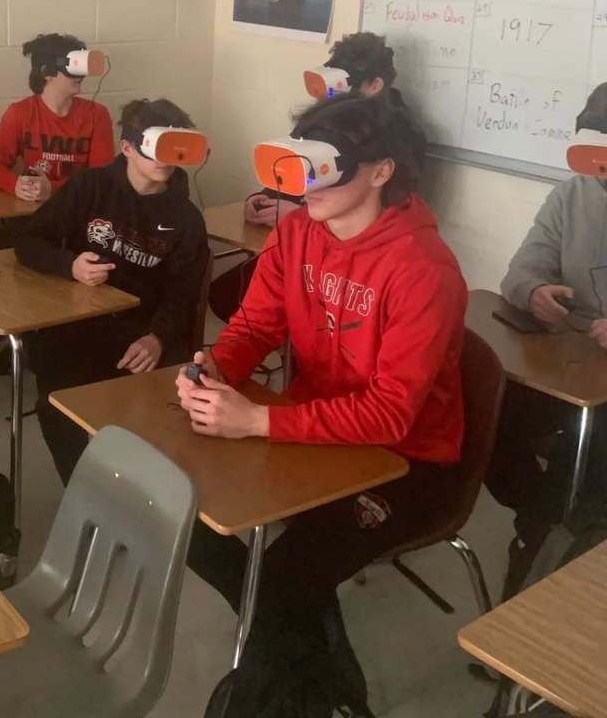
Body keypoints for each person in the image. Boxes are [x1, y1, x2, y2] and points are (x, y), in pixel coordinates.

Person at [181, 92, 466, 716]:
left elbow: (390, 414)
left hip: (405, 462)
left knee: (281, 579)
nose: (305, 186)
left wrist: (256, 419)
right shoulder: (296, 232)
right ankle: (325, 685)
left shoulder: (424, 269)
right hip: (313, 437)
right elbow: (254, 325)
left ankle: (298, 698)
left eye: (325, 168)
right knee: (186, 513)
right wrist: (214, 369)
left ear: (381, 170)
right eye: (301, 165)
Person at [15, 98, 209, 484]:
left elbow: (184, 292)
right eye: (155, 147)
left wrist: (157, 337)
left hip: (141, 329)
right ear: (128, 147)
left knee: (176, 406)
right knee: (57, 407)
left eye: (174, 147)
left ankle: (153, 491)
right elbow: (29, 240)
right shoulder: (90, 187)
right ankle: (85, 490)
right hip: (79, 323)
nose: (164, 159)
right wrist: (70, 265)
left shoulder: (186, 218)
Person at [209, 31, 426, 323]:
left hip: (354, 266)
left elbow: (383, 212)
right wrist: (261, 201)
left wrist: (301, 214)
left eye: (342, 86)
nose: (332, 96)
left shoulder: (398, 139)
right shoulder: (325, 122)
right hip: (307, 244)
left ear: (375, 85)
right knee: (229, 296)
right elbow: (295, 171)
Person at [487, 83, 607, 589]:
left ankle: (553, 547)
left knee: (584, 463)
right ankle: (541, 523)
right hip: (567, 362)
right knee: (483, 414)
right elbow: (520, 270)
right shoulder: (573, 194)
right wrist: (533, 290)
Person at [0, 32, 115, 205]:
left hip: (80, 207)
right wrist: (16, 185)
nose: (81, 76)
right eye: (73, 68)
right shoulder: (20, 113)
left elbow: (101, 179)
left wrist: (52, 188)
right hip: (34, 209)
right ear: (47, 72)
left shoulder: (97, 115)